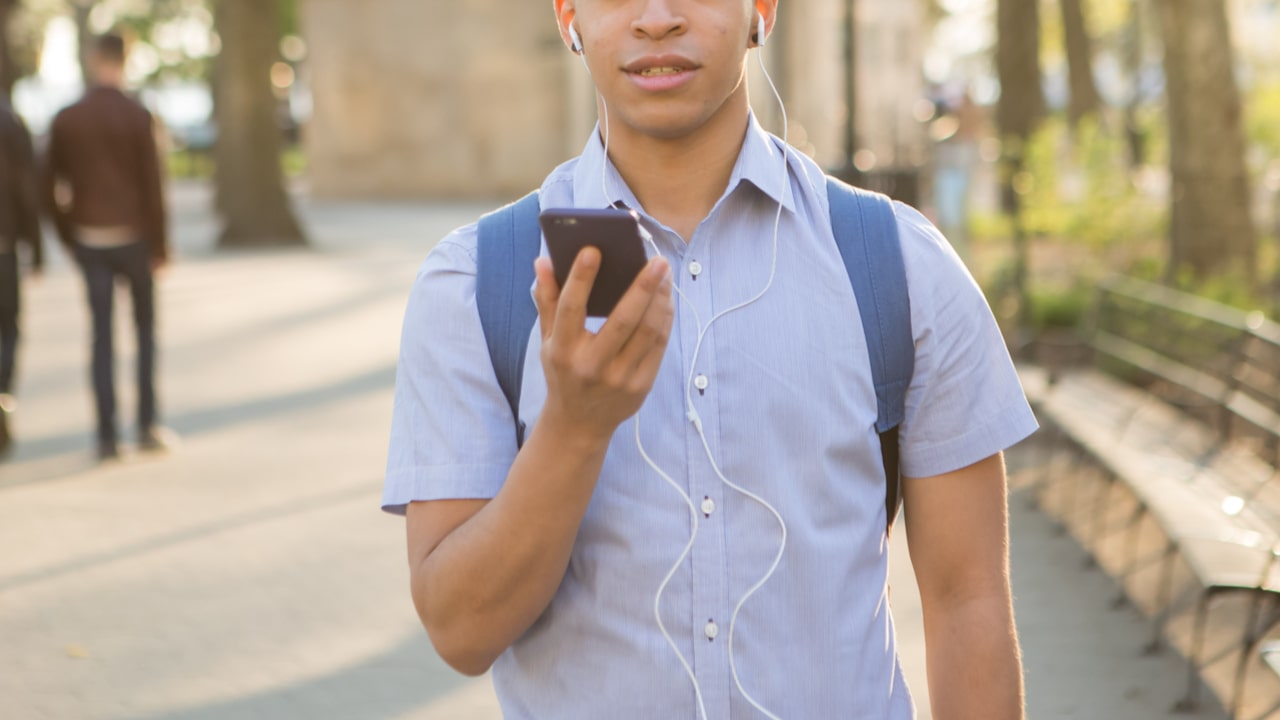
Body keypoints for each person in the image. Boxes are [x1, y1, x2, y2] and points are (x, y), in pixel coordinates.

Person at [384, 2, 1037, 717]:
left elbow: (968, 599)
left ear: (762, 7)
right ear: (568, 12)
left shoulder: (902, 270)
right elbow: (461, 632)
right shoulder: (474, 284)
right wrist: (574, 425)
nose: (657, 19)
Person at [42, 33, 172, 461]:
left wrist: (68, 234)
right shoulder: (137, 116)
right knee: (144, 334)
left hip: (90, 239)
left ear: (91, 60)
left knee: (100, 337)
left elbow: (49, 186)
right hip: (135, 238)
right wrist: (161, 243)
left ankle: (106, 436)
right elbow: (154, 185)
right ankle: (147, 425)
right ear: (125, 60)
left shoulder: (67, 118)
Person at [0, 97, 44, 455]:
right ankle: (3, 394)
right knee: (8, 328)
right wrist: (37, 247)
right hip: (3, 245)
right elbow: (26, 186)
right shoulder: (9, 121)